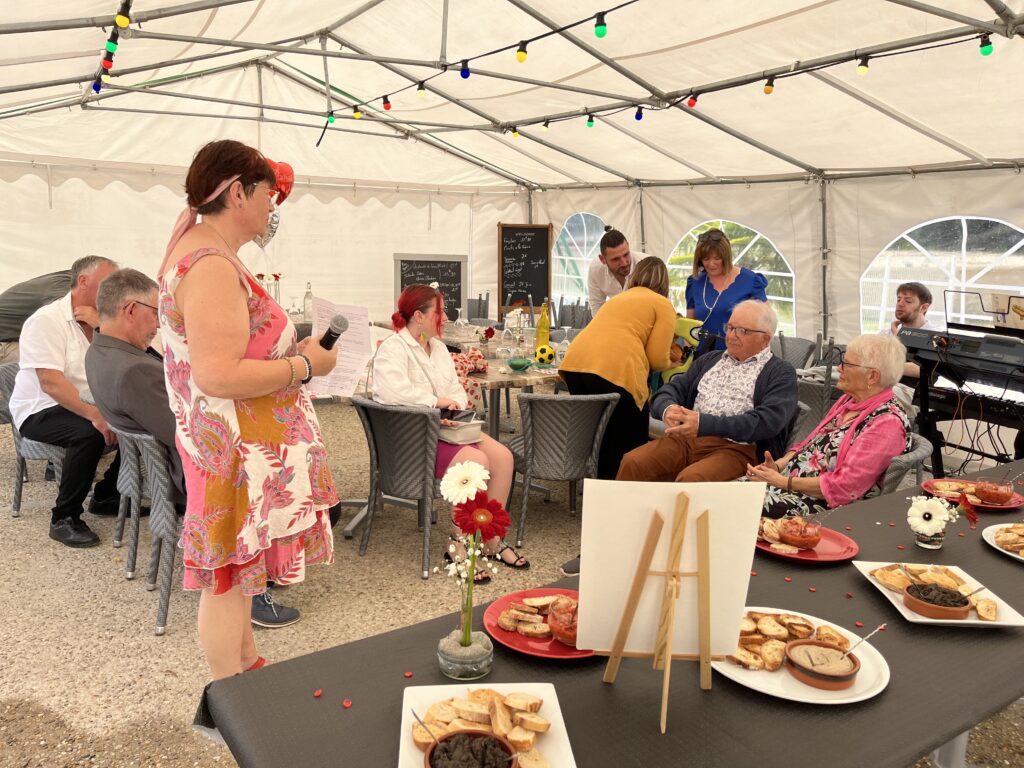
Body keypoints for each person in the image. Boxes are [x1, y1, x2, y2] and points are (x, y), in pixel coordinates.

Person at [157, 139, 339, 678]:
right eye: (267, 194)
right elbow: (218, 373)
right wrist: (305, 367)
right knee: (225, 578)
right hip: (232, 447)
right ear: (238, 193)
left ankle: (244, 674)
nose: (272, 206)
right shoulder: (210, 263)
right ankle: (227, 698)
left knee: (234, 575)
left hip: (231, 443)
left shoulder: (205, 249)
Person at [85, 268, 303, 628]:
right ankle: (252, 589)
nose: (160, 323)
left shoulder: (100, 351)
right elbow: (191, 434)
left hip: (146, 472)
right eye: (156, 312)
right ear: (129, 309)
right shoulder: (134, 369)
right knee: (282, 476)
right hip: (182, 478)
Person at [371, 283, 527, 578]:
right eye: (439, 312)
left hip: (448, 428)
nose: (443, 318)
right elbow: (392, 392)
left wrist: (452, 407)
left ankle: (490, 538)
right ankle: (458, 544)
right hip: (414, 436)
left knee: (504, 458)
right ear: (419, 315)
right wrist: (435, 404)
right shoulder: (393, 348)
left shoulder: (439, 347)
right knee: (477, 462)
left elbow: (455, 389)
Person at [617, 300, 797, 484]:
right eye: (730, 327)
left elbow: (767, 422)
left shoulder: (780, 372)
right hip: (687, 439)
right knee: (634, 462)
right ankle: (630, 514)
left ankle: (669, 513)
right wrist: (668, 408)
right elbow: (670, 390)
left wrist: (704, 424)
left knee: (692, 480)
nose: (731, 335)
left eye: (742, 331)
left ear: (765, 339)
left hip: (737, 449)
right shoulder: (710, 360)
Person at [9, 256, 120, 548]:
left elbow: (124, 363)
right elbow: (51, 383)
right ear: (83, 282)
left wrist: (102, 332)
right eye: (108, 284)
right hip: (41, 407)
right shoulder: (46, 320)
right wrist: (94, 414)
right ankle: (64, 518)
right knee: (89, 432)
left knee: (137, 420)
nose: (115, 290)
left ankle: (107, 494)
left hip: (84, 401)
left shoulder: (104, 320)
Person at [746, 334, 911, 518]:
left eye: (847, 364)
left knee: (736, 503)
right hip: (792, 486)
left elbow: (844, 487)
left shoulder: (886, 424)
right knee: (729, 491)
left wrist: (784, 482)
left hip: (827, 507)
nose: (839, 368)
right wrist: (776, 467)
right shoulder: (849, 401)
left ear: (872, 376)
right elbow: (808, 447)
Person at [560, 256, 676, 479]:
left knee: (597, 431)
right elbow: (657, 358)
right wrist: (674, 362)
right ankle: (619, 489)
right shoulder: (662, 304)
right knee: (628, 437)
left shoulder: (619, 298)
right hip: (615, 369)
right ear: (664, 282)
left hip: (576, 364)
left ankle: (594, 484)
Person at [685, 228, 767, 351]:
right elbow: (689, 325)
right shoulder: (695, 282)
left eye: (717, 258)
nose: (711, 264)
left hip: (740, 356)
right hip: (702, 358)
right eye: (706, 259)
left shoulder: (750, 281)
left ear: (726, 256)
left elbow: (766, 321)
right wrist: (687, 352)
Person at [0, 270, 72, 364]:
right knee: (53, 362)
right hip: (4, 345)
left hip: (11, 342)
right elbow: (69, 319)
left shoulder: (63, 279)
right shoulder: (63, 286)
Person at [881, 281, 942, 379]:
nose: (900, 304)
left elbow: (930, 369)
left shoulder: (936, 337)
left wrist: (900, 339)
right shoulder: (886, 333)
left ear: (923, 307)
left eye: (908, 301)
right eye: (898, 299)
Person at [587, 226, 638, 316]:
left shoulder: (646, 265)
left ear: (628, 246)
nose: (624, 263)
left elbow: (661, 304)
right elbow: (597, 306)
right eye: (616, 259)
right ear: (602, 259)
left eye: (626, 254)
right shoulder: (596, 269)